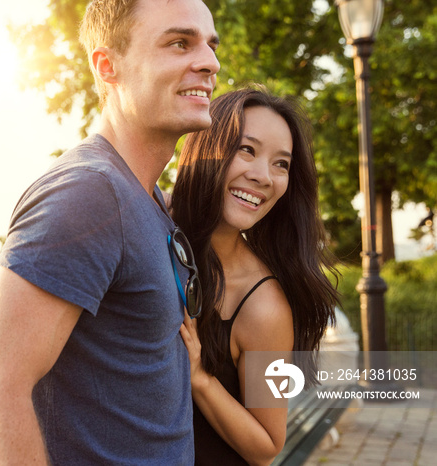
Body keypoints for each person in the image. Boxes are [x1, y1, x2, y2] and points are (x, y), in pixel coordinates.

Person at [0, 0, 220, 464]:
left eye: (209, 45)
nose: (209, 62)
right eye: (180, 43)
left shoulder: (147, 197)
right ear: (108, 65)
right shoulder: (88, 194)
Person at [171, 88, 340, 465]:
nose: (264, 176)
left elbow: (267, 444)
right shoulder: (153, 219)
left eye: (282, 164)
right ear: (207, 146)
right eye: (247, 150)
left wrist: (200, 378)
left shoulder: (264, 305)